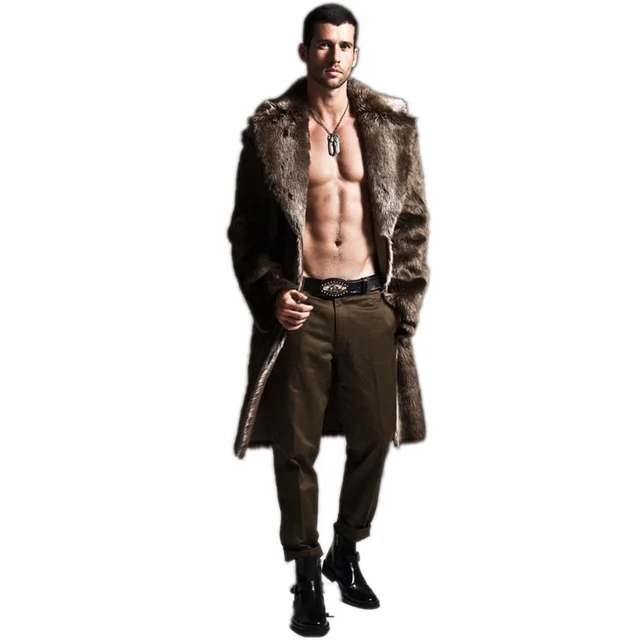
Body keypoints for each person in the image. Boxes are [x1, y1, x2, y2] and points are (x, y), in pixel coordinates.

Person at [227, 3, 431, 636]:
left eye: (344, 45)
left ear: (356, 53)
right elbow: (247, 234)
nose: (334, 55)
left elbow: (412, 223)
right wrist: (273, 292)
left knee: (375, 435)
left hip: (370, 302)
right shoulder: (272, 130)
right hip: (304, 309)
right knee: (297, 448)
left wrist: (403, 302)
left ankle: (346, 547)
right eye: (323, 44)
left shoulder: (391, 126)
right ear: (304, 51)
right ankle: (307, 573)